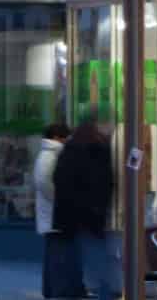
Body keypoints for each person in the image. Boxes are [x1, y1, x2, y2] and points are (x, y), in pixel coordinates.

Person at [52, 121, 116, 300]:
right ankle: (100, 293)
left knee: (74, 262)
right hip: (90, 218)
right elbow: (106, 184)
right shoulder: (98, 151)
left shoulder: (71, 151)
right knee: (96, 262)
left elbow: (60, 182)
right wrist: (99, 208)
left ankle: (76, 292)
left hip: (73, 219)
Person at [35, 123, 81, 298]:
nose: (68, 140)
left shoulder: (49, 154)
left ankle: (51, 291)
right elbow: (43, 182)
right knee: (57, 256)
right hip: (54, 216)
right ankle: (57, 292)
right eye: (66, 137)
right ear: (57, 137)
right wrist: (59, 200)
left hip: (52, 215)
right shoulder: (50, 155)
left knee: (53, 256)